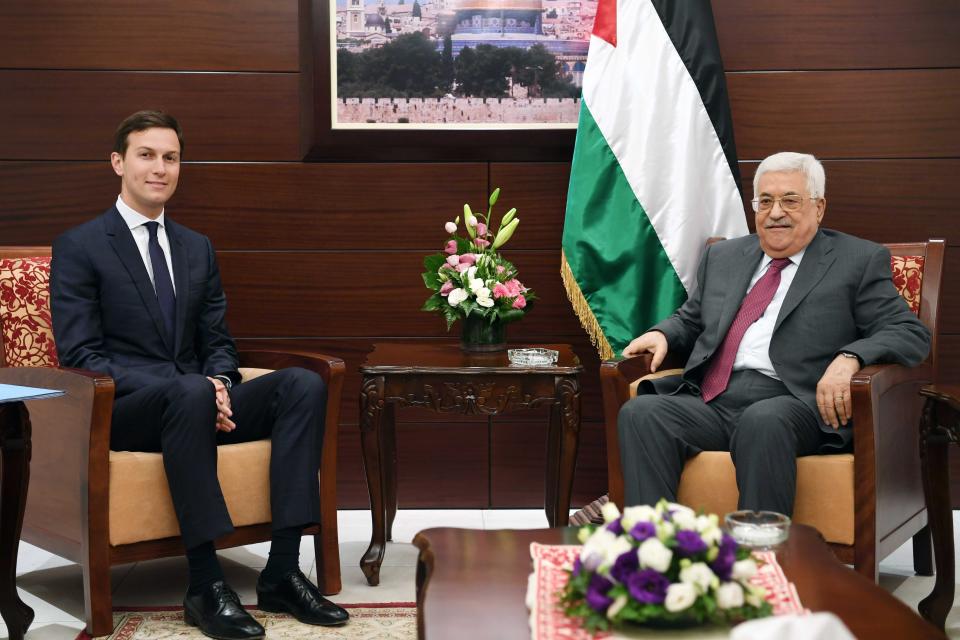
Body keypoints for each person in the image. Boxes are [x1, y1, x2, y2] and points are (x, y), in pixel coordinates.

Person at [50, 110, 349, 640]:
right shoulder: (81, 245)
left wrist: (222, 385)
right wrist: (189, 387)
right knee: (188, 390)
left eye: (171, 157)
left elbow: (217, 342)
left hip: (198, 400)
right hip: (123, 409)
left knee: (303, 383)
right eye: (146, 155)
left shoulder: (196, 247)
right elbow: (82, 355)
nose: (159, 168)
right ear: (119, 162)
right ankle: (205, 584)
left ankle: (281, 570)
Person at [617, 151, 930, 515]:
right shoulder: (724, 257)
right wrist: (664, 334)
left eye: (790, 200)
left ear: (819, 207)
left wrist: (851, 358)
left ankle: (762, 561)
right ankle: (654, 553)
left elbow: (909, 332)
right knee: (642, 413)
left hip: (794, 402)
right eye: (765, 201)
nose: (775, 212)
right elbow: (692, 318)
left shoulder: (856, 261)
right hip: (715, 398)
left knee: (762, 420)